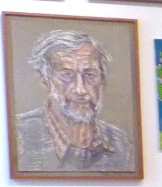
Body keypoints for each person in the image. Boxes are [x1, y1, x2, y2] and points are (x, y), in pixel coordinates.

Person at [13, 30, 138, 174]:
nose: (81, 89)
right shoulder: (18, 135)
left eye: (90, 75)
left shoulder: (120, 142)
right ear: (45, 80)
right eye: (67, 75)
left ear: (102, 80)